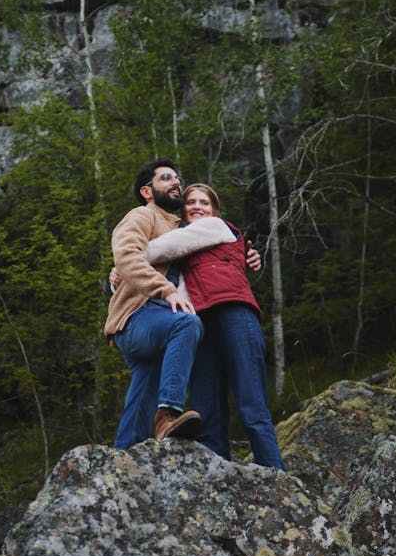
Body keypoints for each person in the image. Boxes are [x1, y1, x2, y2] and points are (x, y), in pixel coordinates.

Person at [144, 183, 285, 470]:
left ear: (214, 210)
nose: (197, 206)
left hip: (234, 313)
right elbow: (151, 282)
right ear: (183, 210)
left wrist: (126, 256)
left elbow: (154, 251)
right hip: (199, 325)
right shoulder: (182, 245)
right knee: (207, 412)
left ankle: (277, 479)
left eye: (204, 202)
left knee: (252, 406)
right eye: (191, 202)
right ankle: (219, 493)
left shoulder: (216, 227)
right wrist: (117, 276)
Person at [105, 158, 205, 447]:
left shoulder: (181, 229)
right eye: (166, 178)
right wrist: (166, 290)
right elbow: (125, 256)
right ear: (147, 191)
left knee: (139, 406)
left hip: (158, 323)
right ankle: (168, 414)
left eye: (177, 178)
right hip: (138, 317)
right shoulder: (141, 215)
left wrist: (249, 256)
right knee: (187, 324)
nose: (176, 182)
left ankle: (121, 462)